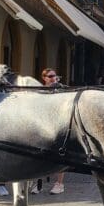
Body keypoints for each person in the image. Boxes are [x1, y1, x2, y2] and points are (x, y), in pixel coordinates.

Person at [39, 67, 66, 195]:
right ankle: (38, 184)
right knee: (39, 154)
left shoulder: (59, 89)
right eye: (50, 76)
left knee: (60, 155)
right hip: (43, 124)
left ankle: (59, 184)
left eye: (54, 75)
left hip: (57, 125)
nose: (53, 78)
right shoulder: (40, 90)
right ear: (44, 78)